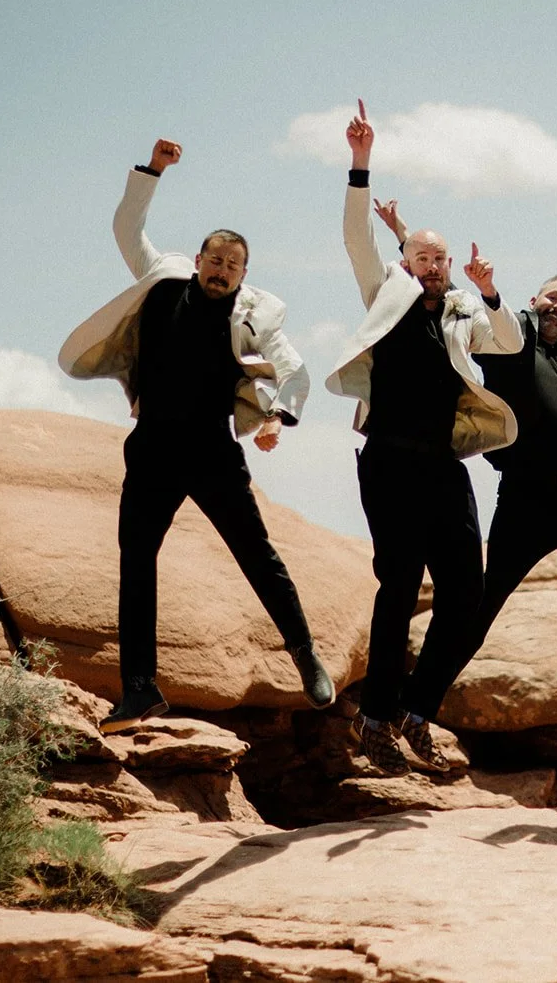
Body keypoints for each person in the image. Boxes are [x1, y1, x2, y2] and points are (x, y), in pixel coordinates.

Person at [59, 138, 335, 733]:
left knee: (256, 554)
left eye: (234, 266)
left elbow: (295, 371)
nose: (222, 271)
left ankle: (305, 654)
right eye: (215, 260)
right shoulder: (161, 284)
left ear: (243, 275)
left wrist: (274, 418)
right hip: (154, 445)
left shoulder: (252, 318)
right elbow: (128, 228)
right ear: (200, 259)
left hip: (212, 449)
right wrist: (153, 170)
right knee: (136, 557)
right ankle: (140, 688)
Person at [367, 197, 557, 727]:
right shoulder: (507, 338)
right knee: (476, 608)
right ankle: (417, 708)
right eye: (550, 297)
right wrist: (405, 232)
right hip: (527, 500)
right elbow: (441, 288)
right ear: (533, 300)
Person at [326, 101, 522, 774]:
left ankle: (417, 708)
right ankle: (376, 719)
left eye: (441, 257)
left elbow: (510, 341)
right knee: (400, 586)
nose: (433, 264)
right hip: (387, 461)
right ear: (406, 261)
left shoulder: (465, 314)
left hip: (443, 465)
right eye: (422, 255)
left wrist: (491, 293)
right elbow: (358, 239)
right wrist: (360, 163)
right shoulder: (387, 292)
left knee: (468, 593)